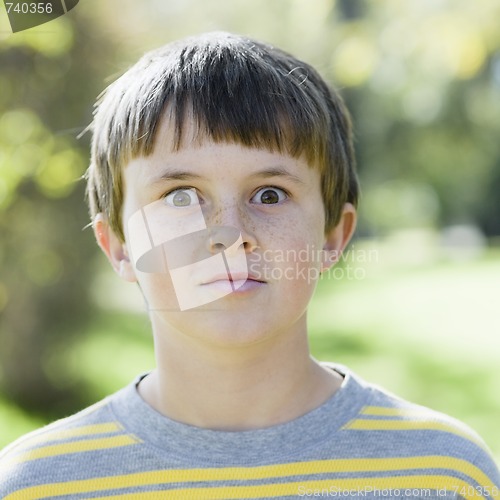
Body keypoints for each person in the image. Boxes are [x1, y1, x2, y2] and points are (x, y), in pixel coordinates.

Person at [0, 31, 498, 499]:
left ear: (332, 237)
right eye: (179, 197)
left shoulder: (443, 475)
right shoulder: (35, 484)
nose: (230, 235)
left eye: (269, 194)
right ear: (119, 245)